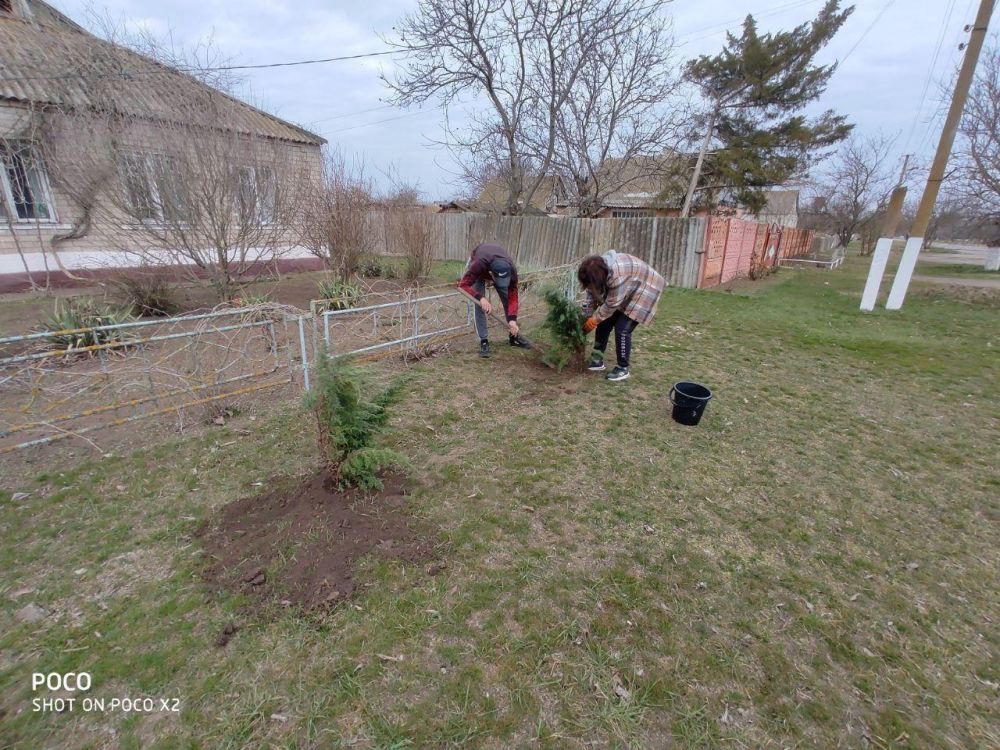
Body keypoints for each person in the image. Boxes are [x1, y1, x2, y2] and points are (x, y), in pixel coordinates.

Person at [577, 250, 665, 382]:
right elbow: (591, 294)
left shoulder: (616, 276)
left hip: (645, 286)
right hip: (629, 284)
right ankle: (597, 359)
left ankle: (622, 368)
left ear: (598, 278)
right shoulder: (594, 272)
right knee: (604, 322)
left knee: (622, 329)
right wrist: (585, 317)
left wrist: (594, 320)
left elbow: (611, 304)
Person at [458, 242, 529, 358]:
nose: (502, 285)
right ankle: (484, 341)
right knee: (481, 306)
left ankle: (513, 337)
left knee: (507, 299)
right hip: (480, 267)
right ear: (491, 275)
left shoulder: (511, 269)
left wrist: (512, 320)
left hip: (493, 262)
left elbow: (513, 296)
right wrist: (480, 298)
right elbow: (463, 285)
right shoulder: (478, 264)